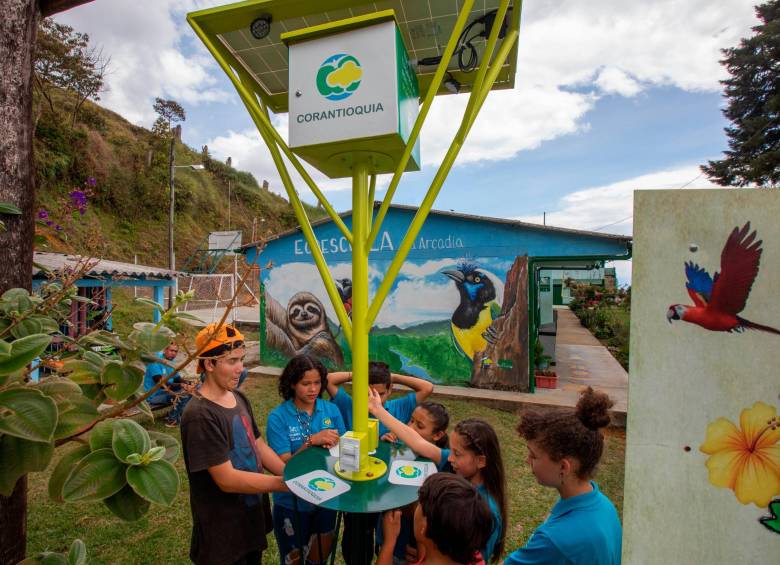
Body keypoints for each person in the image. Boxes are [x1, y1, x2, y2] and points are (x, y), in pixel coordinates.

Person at [181, 323, 287, 565]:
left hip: (250, 521)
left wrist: (290, 472)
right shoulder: (199, 414)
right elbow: (226, 480)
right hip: (222, 533)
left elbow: (258, 445)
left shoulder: (238, 397)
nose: (240, 368)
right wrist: (285, 484)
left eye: (242, 359)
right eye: (231, 361)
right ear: (209, 364)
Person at [369, 389, 507, 563]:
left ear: (481, 461)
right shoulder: (455, 465)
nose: (449, 458)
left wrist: (425, 554)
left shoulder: (486, 511)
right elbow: (417, 442)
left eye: (457, 453)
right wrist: (378, 410)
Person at [328, 361, 435, 564]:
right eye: (367, 393)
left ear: (390, 390)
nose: (372, 400)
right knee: (357, 538)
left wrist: (392, 376)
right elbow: (329, 380)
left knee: (387, 534)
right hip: (358, 489)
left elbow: (427, 387)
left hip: (390, 489)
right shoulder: (349, 403)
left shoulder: (399, 406)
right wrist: (357, 375)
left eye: (380, 394)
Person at [502, 387, 622, 565]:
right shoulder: (605, 506)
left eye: (534, 455)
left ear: (564, 467)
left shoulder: (555, 541)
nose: (527, 461)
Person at [266, 354, 346, 565]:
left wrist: (338, 445)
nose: (313, 389)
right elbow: (284, 464)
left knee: (319, 557)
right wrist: (312, 441)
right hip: (292, 503)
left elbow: (344, 447)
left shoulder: (331, 410)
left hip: (328, 496)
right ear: (292, 384)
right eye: (305, 383)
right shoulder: (278, 417)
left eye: (317, 383)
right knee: (293, 558)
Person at [376, 401, 452, 563]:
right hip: (390, 538)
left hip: (415, 548)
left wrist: (421, 552)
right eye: (411, 421)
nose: (410, 428)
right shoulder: (400, 447)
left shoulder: (443, 467)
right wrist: (386, 445)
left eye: (420, 426)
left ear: (437, 435)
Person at [378, 473, 493, 565]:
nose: (416, 504)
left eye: (419, 503)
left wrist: (389, 541)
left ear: (425, 526)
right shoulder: (474, 556)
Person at [143, 341, 191, 427]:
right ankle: (172, 419)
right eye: (171, 350)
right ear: (165, 350)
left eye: (175, 351)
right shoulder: (156, 361)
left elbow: (177, 379)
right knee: (183, 393)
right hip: (154, 396)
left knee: (193, 389)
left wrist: (189, 383)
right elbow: (161, 384)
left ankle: (180, 414)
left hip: (166, 392)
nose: (173, 353)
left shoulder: (171, 362)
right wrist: (181, 385)